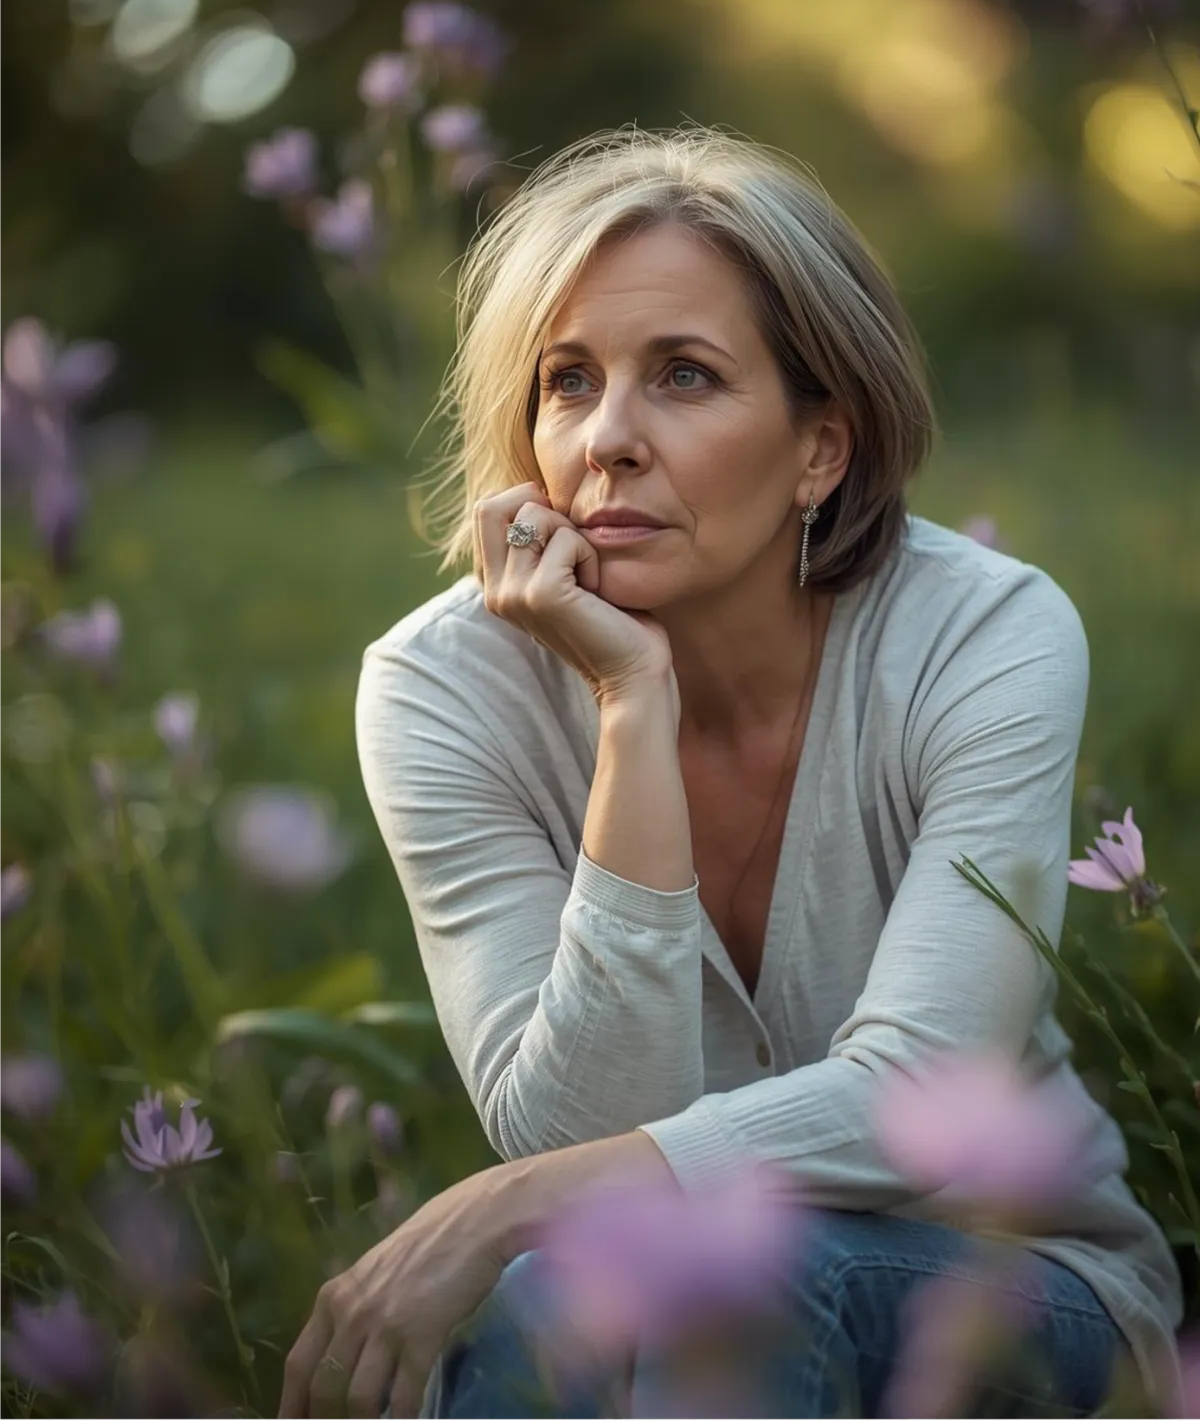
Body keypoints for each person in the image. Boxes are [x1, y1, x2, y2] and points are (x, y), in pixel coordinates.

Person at [277, 124, 1182, 1420]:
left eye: (685, 377)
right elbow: (578, 1129)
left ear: (823, 448)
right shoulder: (440, 689)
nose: (607, 441)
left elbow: (921, 1096)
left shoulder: (984, 635)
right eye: (569, 380)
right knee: (589, 1310)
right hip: (636, 1314)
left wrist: (495, 1211)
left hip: (1012, 1279)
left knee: (695, 1295)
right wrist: (631, 709)